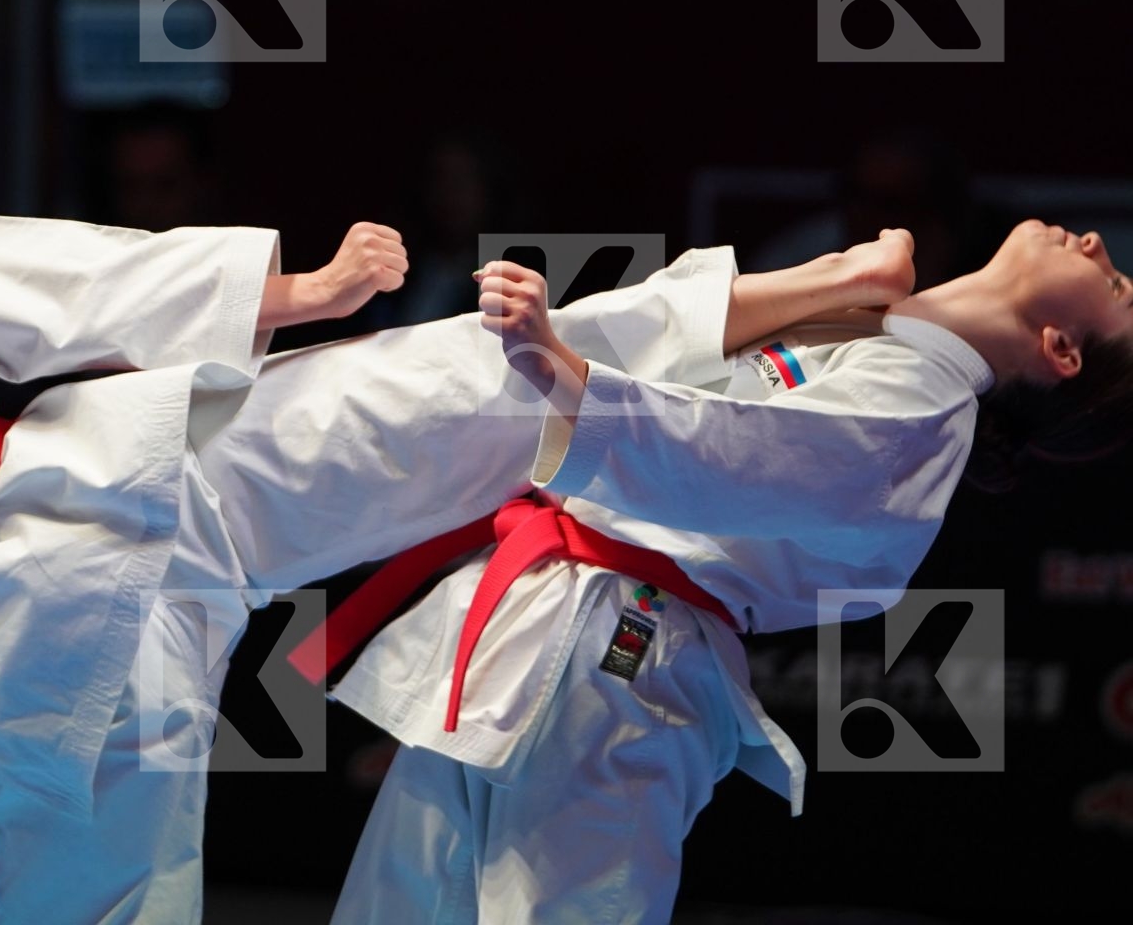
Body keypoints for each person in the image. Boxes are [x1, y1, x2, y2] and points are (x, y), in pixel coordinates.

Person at [0, 141, 748, 925]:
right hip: (142, 474)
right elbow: (42, 284)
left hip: (29, 641)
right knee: (470, 380)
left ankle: (778, 319)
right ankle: (781, 316)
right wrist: (297, 298)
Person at [324, 221, 1133, 923]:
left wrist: (561, 369)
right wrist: (844, 278)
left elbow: (725, 453)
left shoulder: (918, 418)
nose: (1098, 244)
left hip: (625, 658)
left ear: (1061, 349)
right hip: (542, 616)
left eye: (1119, 285)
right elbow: (675, 346)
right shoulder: (871, 336)